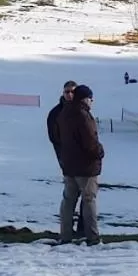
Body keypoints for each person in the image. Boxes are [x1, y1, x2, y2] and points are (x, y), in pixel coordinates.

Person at [56, 85, 104, 245]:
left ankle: (65, 235)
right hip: (86, 167)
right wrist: (99, 152)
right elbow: (90, 141)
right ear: (85, 98)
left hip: (69, 165)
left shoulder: (64, 113)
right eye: (91, 98)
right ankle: (92, 237)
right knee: (89, 200)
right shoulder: (83, 115)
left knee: (68, 201)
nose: (92, 102)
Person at [46, 81, 83, 237]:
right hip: (67, 160)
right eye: (66, 91)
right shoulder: (56, 113)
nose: (69, 94)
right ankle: (67, 231)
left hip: (83, 160)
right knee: (70, 196)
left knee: (85, 196)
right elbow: (55, 138)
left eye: (72, 92)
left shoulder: (81, 110)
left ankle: (82, 229)